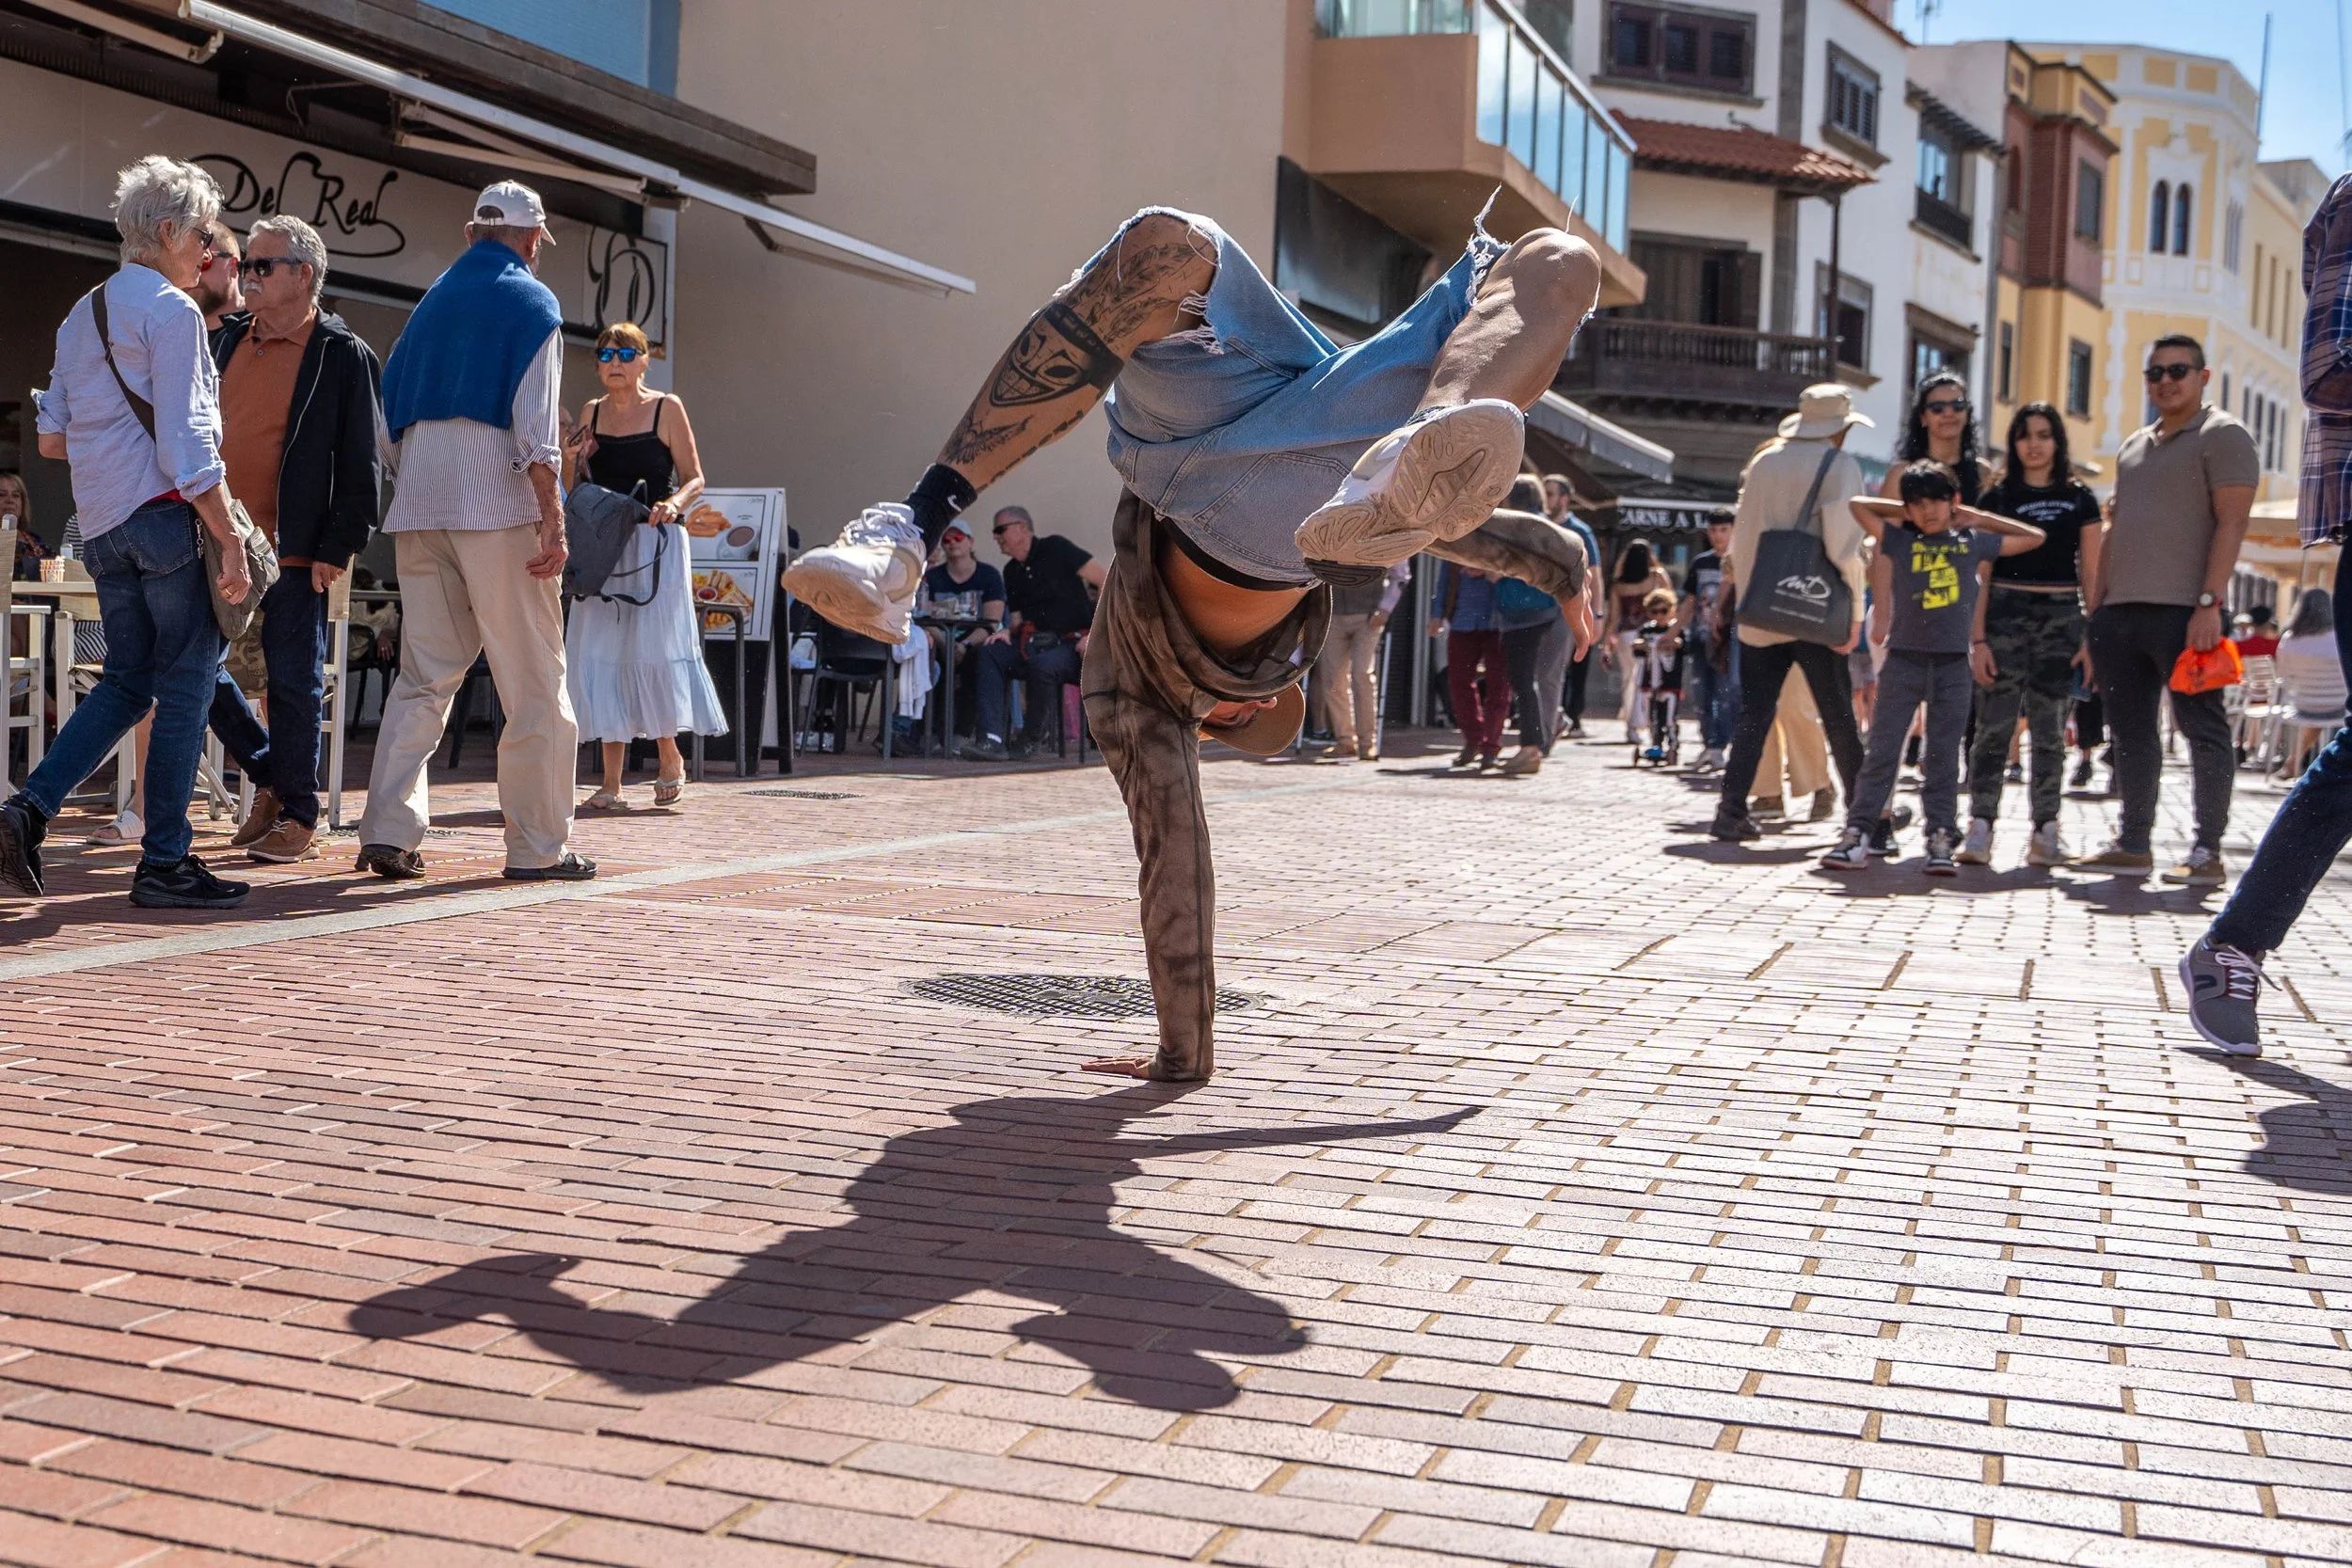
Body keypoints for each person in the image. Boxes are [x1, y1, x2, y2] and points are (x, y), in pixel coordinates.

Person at [781, 204, 1597, 1081]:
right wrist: (1563, 574)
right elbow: (1471, 536)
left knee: (1166, 250)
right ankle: (1426, 433)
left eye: (1227, 720)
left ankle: (908, 526)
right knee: (1557, 263)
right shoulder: (1205, 652)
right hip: (1299, 470)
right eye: (1241, 714)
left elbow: (1175, 869)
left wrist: (1183, 1051)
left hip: (1224, 455)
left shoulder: (1129, 691)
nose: (1232, 712)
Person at [0, 156, 254, 909]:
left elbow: (52, 439)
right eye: (204, 234)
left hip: (103, 526)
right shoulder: (174, 313)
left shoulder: (84, 312)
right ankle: (165, 861)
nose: (209, 251)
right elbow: (186, 446)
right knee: (184, 688)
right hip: (167, 516)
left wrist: (111, 443)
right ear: (171, 231)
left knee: (125, 683)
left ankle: (27, 807)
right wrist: (230, 536)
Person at [356, 180, 591, 882]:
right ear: (531, 239)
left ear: (469, 235)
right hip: (499, 515)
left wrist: (421, 475)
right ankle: (538, 847)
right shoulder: (531, 302)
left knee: (424, 677)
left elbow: (384, 422)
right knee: (535, 683)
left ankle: (389, 831)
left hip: (421, 511)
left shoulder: (427, 307)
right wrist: (554, 519)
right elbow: (536, 430)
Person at [193, 214, 385, 865]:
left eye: (261, 266)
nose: (246, 275)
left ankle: (300, 814)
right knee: (192, 667)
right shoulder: (227, 341)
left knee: (293, 682)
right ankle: (274, 775)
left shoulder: (340, 353)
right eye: (245, 264)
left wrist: (339, 545)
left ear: (303, 275)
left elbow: (364, 465)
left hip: (296, 546)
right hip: (220, 538)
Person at [2074, 335, 2259, 886]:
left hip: (2185, 612)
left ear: (2203, 377)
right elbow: (2114, 533)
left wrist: (2210, 602)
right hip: (2118, 615)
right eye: (2155, 372)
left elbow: (2233, 523)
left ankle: (2207, 851)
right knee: (2129, 734)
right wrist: (2094, 614)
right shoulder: (2133, 446)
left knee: (2203, 731)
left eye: (2178, 370)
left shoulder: (2224, 435)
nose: (2165, 380)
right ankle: (2133, 843)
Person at [1820, 463, 2044, 873]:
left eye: (1938, 501)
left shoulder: (1971, 541)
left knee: (1943, 755)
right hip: (1903, 659)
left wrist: (1976, 516)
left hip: (1953, 664)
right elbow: (1857, 505)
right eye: (1919, 504)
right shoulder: (1900, 539)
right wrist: (1903, 510)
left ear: (1953, 501)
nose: (1929, 511)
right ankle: (1858, 833)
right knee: (1883, 751)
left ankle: (1940, 836)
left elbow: (2034, 537)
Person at [563, 321, 727, 812]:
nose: (614, 364)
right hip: (605, 542)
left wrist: (675, 503)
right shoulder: (590, 411)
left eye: (624, 354)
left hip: (654, 541)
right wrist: (573, 458)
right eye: (605, 356)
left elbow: (695, 477)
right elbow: (576, 487)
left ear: (643, 360)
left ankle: (668, 755)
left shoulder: (666, 407)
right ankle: (611, 782)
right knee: (603, 651)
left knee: (653, 648)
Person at [1711, 385, 1873, 842]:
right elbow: (1846, 546)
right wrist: (1856, 611)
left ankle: (1730, 811)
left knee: (1754, 714)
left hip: (1763, 605)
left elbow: (1742, 539)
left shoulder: (1764, 462)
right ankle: (1866, 817)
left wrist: (1747, 599)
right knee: (1838, 713)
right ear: (1840, 428)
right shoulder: (1840, 467)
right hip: (1816, 607)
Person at [1958, 402, 2103, 868]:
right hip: (2004, 609)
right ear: (2013, 443)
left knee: (2049, 729)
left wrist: (2090, 635)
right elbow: (1980, 570)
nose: (2034, 444)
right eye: (2024, 435)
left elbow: (2092, 572)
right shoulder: (1996, 498)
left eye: (2044, 434)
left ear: (2058, 441)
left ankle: (2046, 829)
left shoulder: (2080, 497)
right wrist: (1977, 638)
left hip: (2062, 614)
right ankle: (1980, 825)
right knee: (1993, 727)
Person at [963, 507, 1104, 760]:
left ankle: (1031, 738)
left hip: (1074, 644)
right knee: (989, 652)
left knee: (1043, 666)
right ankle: (990, 739)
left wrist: (1096, 633)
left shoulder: (1056, 548)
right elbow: (1017, 620)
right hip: (1034, 642)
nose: (996, 537)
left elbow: (1107, 581)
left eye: (1000, 530)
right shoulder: (1011, 571)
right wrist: (1006, 631)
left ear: (1023, 528)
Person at [1493, 476, 1570, 775]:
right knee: (1531, 680)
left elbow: (1500, 567)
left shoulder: (1516, 525)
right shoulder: (1549, 526)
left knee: (1524, 682)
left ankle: (1530, 748)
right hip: (1546, 611)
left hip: (1520, 614)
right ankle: (1533, 746)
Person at [920, 517, 1007, 743]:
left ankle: (962, 734)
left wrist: (964, 645)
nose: (952, 543)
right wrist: (946, 643)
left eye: (958, 537)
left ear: (970, 542)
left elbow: (992, 621)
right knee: (928, 662)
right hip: (941, 641)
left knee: (979, 662)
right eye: (947, 539)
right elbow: (923, 616)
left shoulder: (989, 575)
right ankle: (926, 733)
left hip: (975, 643)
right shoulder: (932, 577)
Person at [1313, 559, 1405, 762]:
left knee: (1361, 674)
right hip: (1333, 614)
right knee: (1333, 679)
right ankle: (1345, 741)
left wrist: (1385, 608)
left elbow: (1400, 575)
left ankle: (1367, 744)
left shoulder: (1381, 537)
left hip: (1368, 616)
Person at [1542, 472, 1603, 737]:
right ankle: (1553, 718)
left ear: (1565, 499)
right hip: (1535, 611)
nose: (1546, 499)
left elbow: (1595, 577)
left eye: (1551, 493)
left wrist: (1597, 615)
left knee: (1555, 672)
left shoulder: (1580, 531)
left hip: (1568, 613)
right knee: (1539, 672)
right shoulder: (1537, 525)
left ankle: (1552, 726)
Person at [1432, 560, 1508, 768]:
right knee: (1458, 683)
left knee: (1499, 686)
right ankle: (1473, 739)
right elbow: (1445, 578)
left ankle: (1491, 746)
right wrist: (1436, 614)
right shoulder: (1457, 534)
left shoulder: (1503, 532)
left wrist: (1489, 568)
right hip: (1462, 619)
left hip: (1500, 620)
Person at [1679, 507, 1737, 771]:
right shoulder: (1700, 563)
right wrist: (1672, 631)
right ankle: (1709, 744)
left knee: (1726, 693)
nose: (1718, 535)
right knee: (1701, 694)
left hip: (1729, 642)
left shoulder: (1740, 562)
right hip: (1700, 637)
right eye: (1713, 530)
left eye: (1724, 529)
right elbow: (1690, 601)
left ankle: (1719, 745)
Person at [1604, 538, 1675, 743]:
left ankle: (1632, 725)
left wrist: (1606, 645)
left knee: (1631, 680)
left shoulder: (1619, 585)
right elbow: (1670, 604)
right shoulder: (1657, 577)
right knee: (1653, 679)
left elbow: (1614, 618)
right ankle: (1650, 722)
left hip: (1627, 635)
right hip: (1653, 634)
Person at [1881, 372, 1987, 504]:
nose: (1948, 413)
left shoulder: (1983, 473)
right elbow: (1884, 524)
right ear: (1923, 418)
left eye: (1957, 406)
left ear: (1967, 413)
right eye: (1937, 408)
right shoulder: (1900, 475)